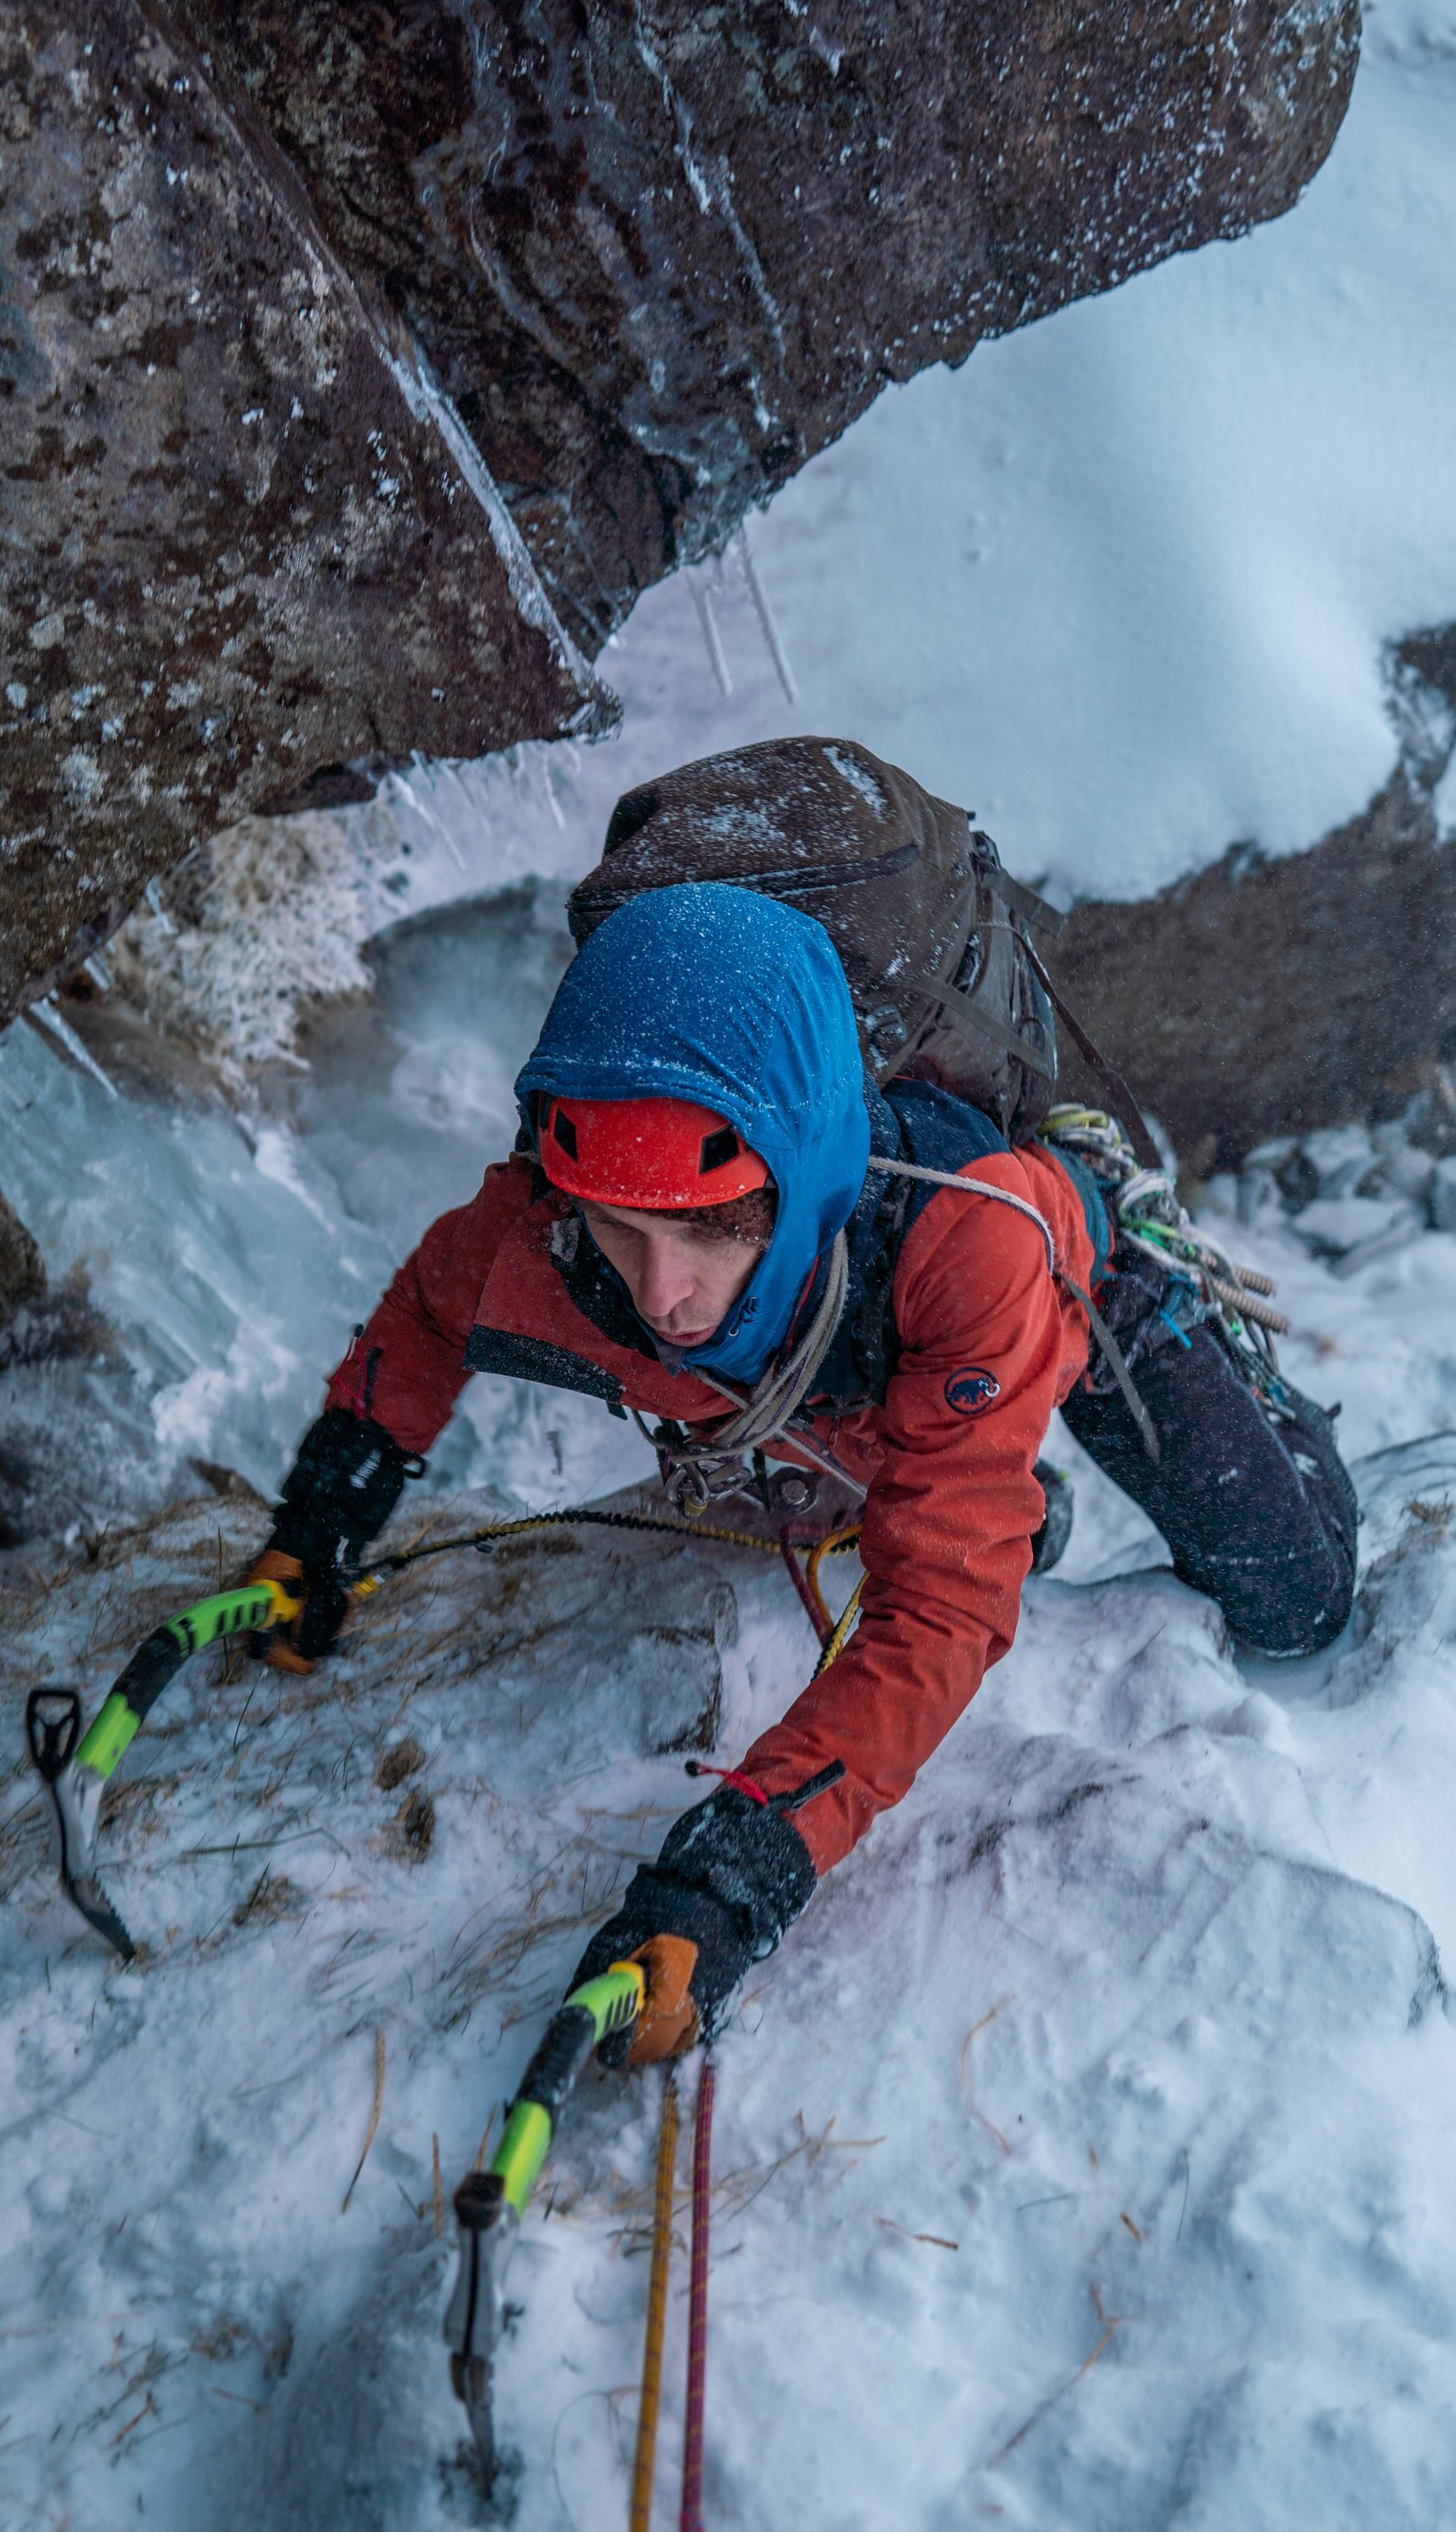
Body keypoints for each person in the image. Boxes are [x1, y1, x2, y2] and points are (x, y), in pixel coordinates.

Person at [249, 879, 1358, 2064]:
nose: (660, 1291)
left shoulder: (967, 1234)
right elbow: (427, 1311)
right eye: (622, 1230)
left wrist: (740, 1870)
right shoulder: (553, 1230)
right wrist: (324, 1517)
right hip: (846, 1384)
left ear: (795, 1178)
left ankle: (1133, 1283)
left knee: (1297, 1598)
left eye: (708, 1228)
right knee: (926, 1490)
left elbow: (938, 1610)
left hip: (1056, 1273)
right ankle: (986, 1482)